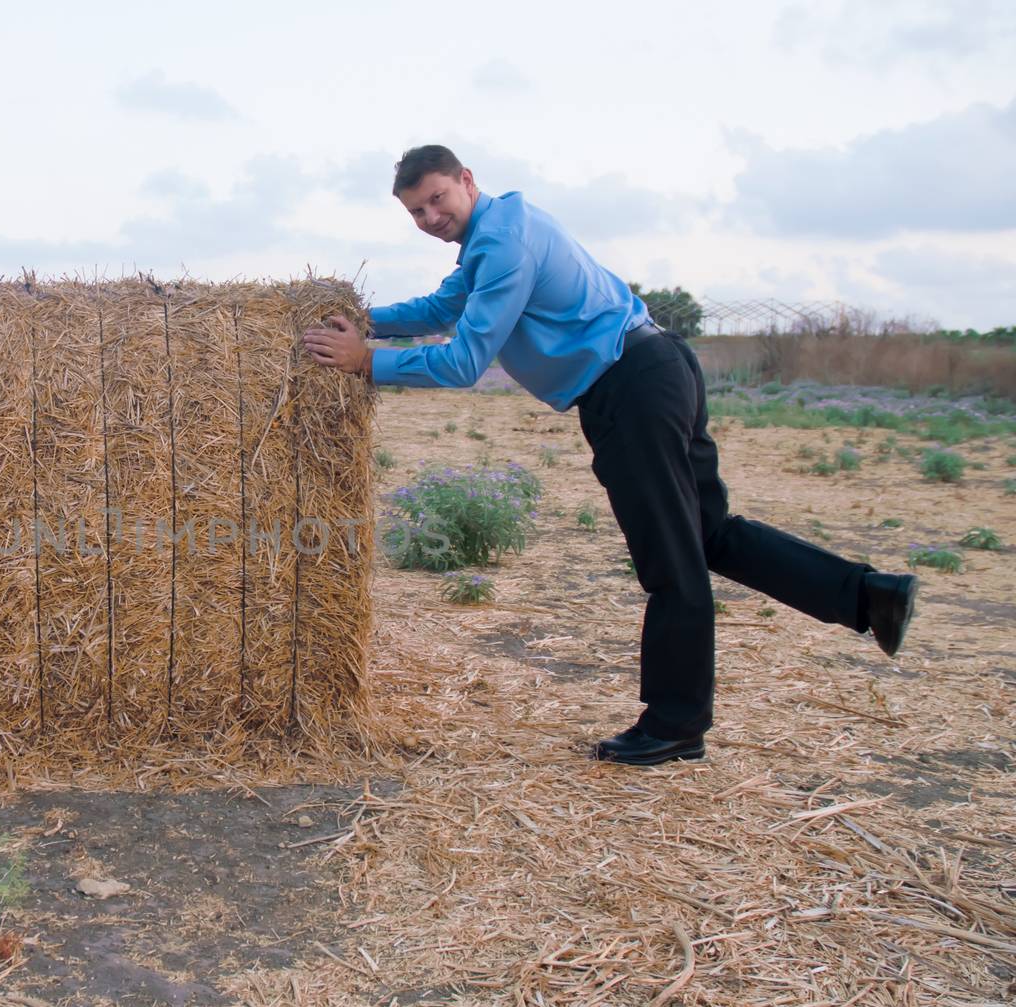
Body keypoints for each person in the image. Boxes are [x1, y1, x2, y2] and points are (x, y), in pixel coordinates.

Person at [303, 145, 919, 766]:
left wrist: (366, 360)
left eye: (437, 199)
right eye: (416, 212)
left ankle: (676, 724)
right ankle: (870, 597)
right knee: (708, 536)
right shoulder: (500, 229)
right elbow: (441, 310)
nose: (430, 217)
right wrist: (361, 320)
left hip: (630, 386)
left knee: (672, 561)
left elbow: (464, 361)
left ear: (466, 180)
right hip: (657, 366)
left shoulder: (503, 245)